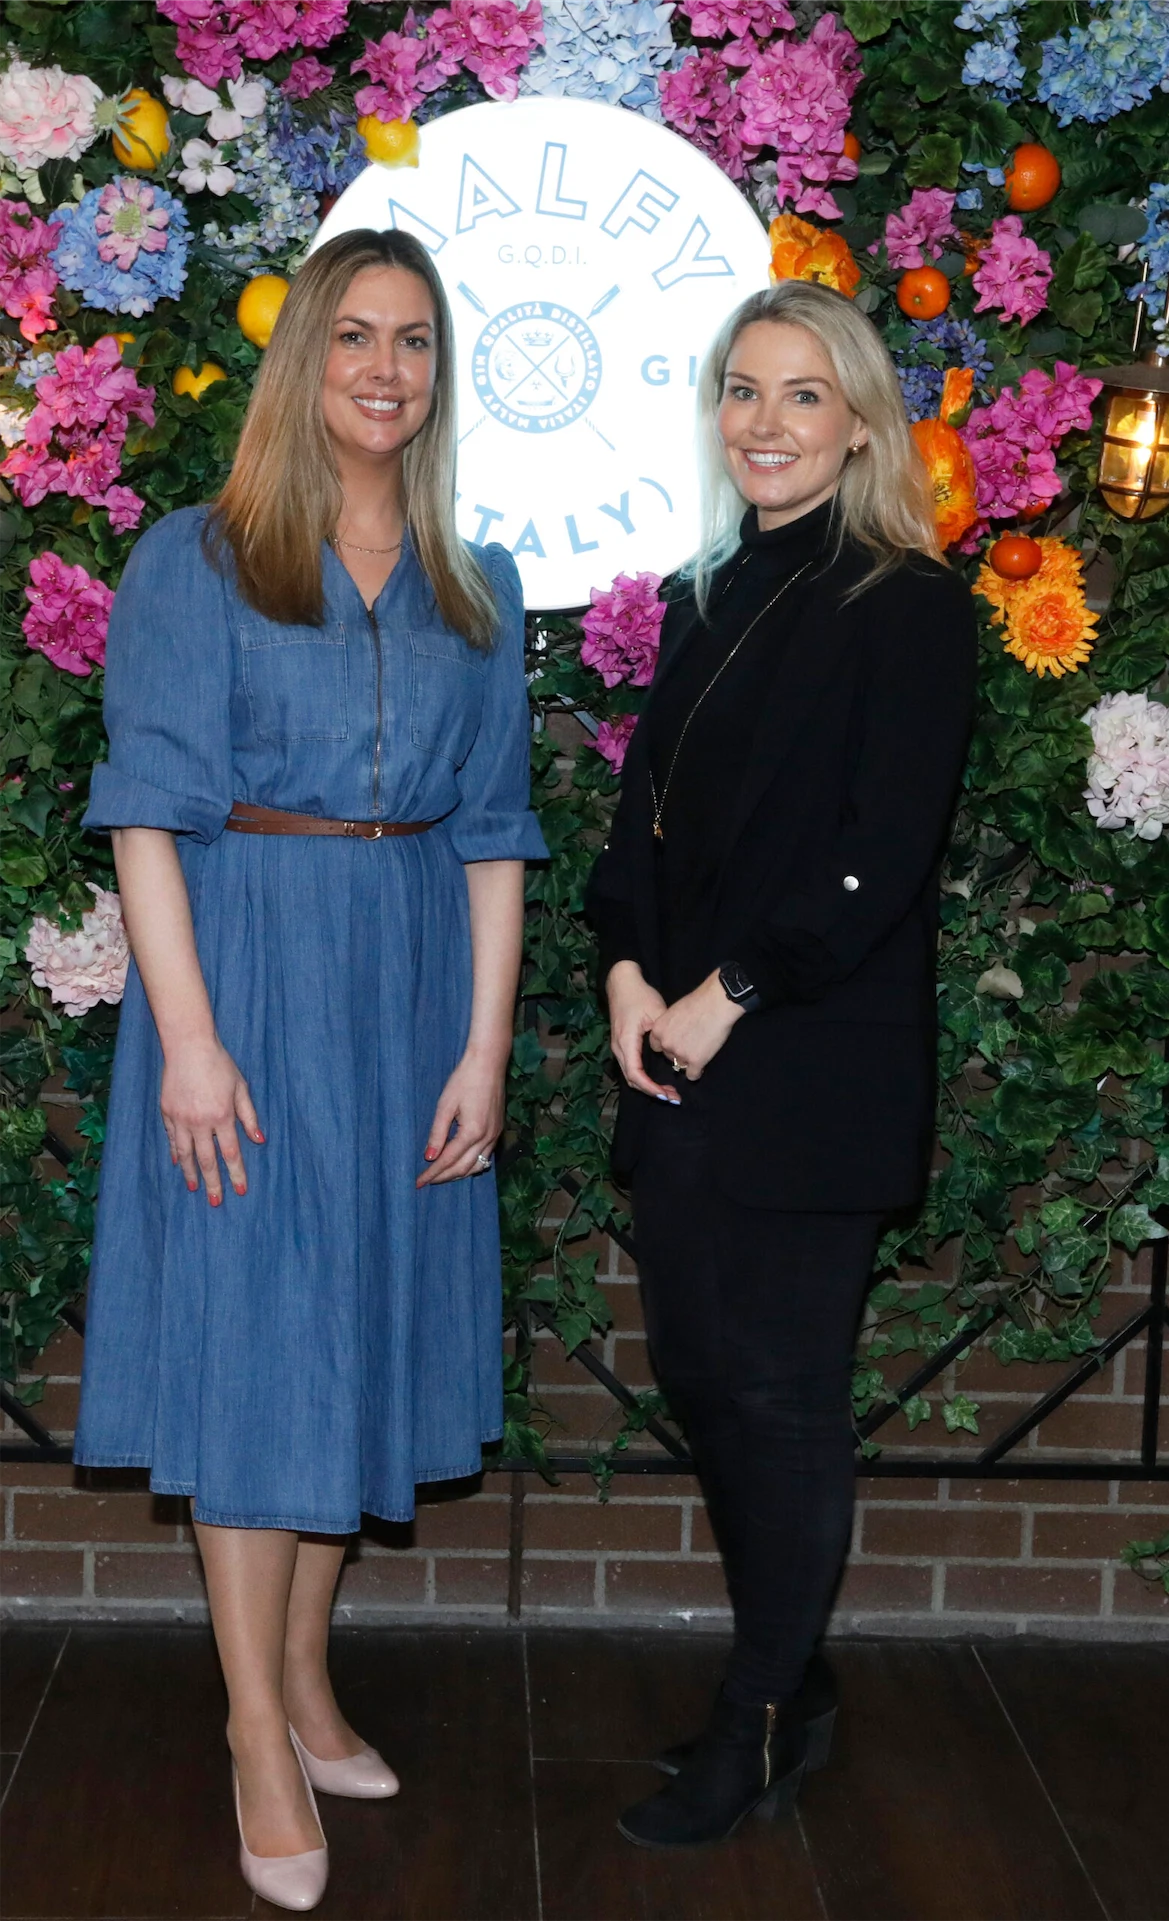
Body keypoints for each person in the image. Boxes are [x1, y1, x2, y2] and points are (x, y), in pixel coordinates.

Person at [73, 227, 546, 1910]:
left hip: (412, 989)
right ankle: (252, 1734)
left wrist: (484, 1046)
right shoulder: (196, 561)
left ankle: (306, 1678)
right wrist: (190, 1043)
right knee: (261, 1350)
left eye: (413, 340)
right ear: (303, 361)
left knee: (360, 1334)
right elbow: (146, 815)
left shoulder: (475, 585)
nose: (383, 369)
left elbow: (495, 835)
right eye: (353, 335)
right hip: (248, 984)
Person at [586, 279, 977, 1849]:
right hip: (681, 1052)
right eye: (741, 390)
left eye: (801, 394)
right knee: (703, 1381)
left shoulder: (910, 605)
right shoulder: (707, 596)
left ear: (860, 423)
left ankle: (753, 1716)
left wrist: (731, 989)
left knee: (780, 1396)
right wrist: (627, 969)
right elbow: (641, 823)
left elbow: (881, 851)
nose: (764, 421)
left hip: (811, 1064)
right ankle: (790, 1679)